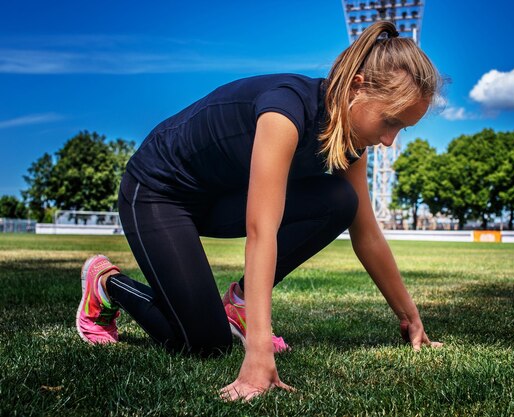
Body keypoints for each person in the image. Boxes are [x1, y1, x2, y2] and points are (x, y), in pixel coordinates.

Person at [76, 21, 444, 401]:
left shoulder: (351, 141)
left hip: (219, 199)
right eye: (390, 122)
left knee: (342, 201)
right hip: (158, 193)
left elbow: (365, 233)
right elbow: (261, 230)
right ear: (358, 86)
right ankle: (106, 283)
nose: (388, 140)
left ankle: (238, 304)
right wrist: (257, 352)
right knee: (203, 343)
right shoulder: (285, 112)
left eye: (402, 129)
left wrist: (409, 317)